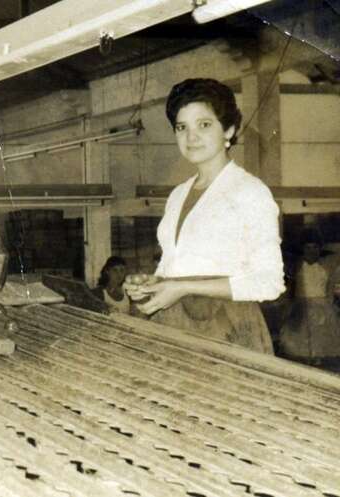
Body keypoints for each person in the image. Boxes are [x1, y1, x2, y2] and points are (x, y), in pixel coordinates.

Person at [125, 78, 285, 354]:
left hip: (229, 331)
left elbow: (269, 283)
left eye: (204, 125)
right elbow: (172, 266)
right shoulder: (177, 195)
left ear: (230, 130)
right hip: (175, 324)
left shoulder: (250, 192)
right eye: (181, 127)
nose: (191, 137)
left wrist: (183, 287)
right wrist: (153, 283)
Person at [278, 227, 340, 360]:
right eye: (307, 248)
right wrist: (289, 305)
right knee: (300, 337)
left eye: (315, 247)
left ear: (319, 249)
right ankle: (304, 360)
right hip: (300, 305)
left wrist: (329, 305)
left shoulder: (326, 268)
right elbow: (290, 289)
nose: (311, 251)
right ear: (302, 249)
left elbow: (329, 289)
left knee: (319, 335)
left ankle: (317, 360)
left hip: (321, 307)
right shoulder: (297, 268)